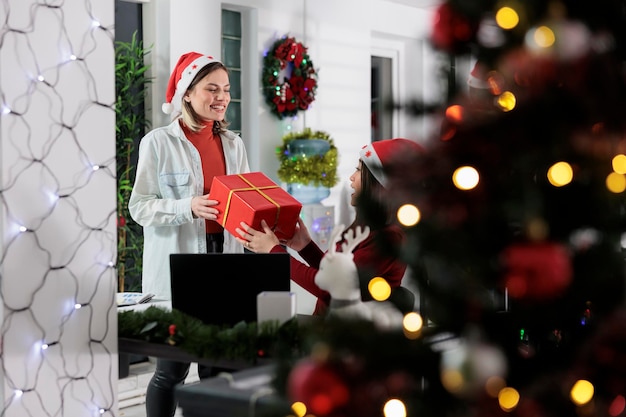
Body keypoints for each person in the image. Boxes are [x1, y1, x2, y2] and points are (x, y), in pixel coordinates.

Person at [128, 52, 250, 417]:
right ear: (187, 93)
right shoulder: (158, 143)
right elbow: (139, 207)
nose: (222, 97)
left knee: (217, 369)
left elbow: (242, 198)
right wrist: (188, 207)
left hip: (224, 264)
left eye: (226, 90)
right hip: (179, 268)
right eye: (212, 89)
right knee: (172, 369)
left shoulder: (234, 144)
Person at [235, 138, 423, 315]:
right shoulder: (370, 229)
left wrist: (274, 251)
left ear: (377, 185)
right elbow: (336, 274)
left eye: (359, 171)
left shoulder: (390, 238)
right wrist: (306, 247)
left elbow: (331, 290)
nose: (351, 178)